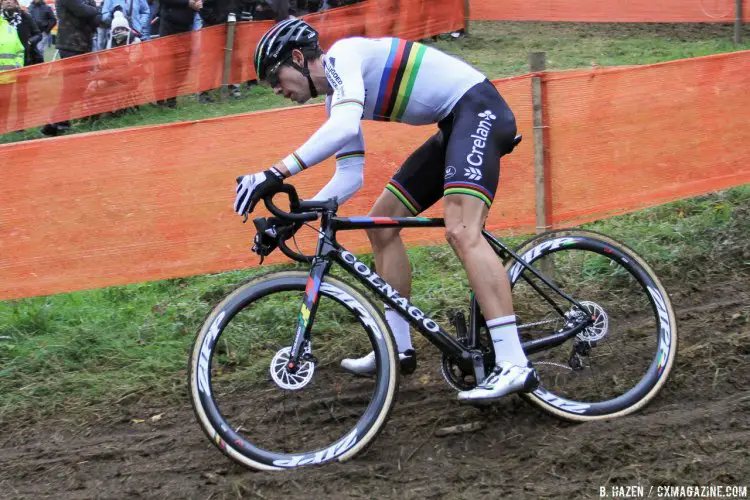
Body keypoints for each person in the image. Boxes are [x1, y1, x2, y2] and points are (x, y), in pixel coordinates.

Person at [234, 20, 538, 403]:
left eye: (275, 78)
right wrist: (293, 219)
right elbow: (349, 175)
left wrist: (274, 172)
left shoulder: (343, 57)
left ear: (297, 57)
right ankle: (397, 348)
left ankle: (513, 361)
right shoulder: (336, 97)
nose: (277, 90)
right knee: (381, 226)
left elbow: (344, 127)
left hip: (478, 109)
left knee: (462, 230)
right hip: (455, 123)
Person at [40, 0, 101, 135]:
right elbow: (84, 11)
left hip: (84, 45)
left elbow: (96, 20)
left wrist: (93, 12)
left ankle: (61, 120)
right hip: (70, 45)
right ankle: (54, 122)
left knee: (78, 86)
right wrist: (95, 10)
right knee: (71, 85)